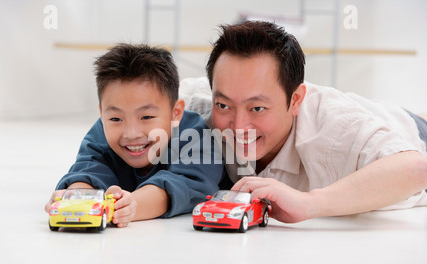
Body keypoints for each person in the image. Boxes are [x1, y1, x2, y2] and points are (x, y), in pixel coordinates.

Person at [181, 21, 427, 223]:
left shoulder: (335, 131)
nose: (238, 126)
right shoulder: (196, 104)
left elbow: (418, 167)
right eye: (224, 105)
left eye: (257, 108)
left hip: (411, 131)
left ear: (295, 100)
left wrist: (309, 203)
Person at [45, 44, 224, 227]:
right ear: (102, 114)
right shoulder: (101, 132)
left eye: (146, 117)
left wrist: (131, 205)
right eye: (116, 118)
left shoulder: (194, 135)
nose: (131, 134)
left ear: (175, 113)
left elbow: (188, 183)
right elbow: (88, 169)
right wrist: (76, 198)